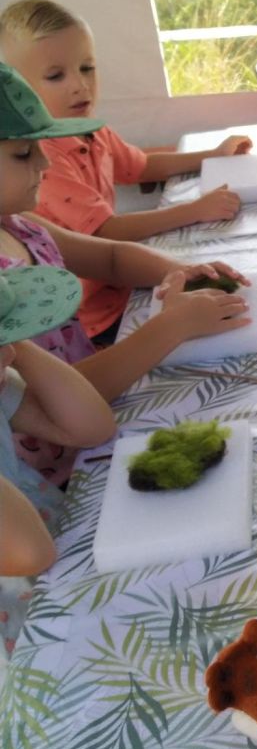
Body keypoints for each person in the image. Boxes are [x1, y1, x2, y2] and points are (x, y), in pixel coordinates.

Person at [0, 63, 251, 485]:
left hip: (95, 407)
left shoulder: (18, 223)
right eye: (23, 154)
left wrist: (180, 271)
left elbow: (111, 258)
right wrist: (170, 327)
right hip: (55, 473)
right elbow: (56, 404)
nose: (44, 163)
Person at [0, 0, 253, 340]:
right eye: (56, 76)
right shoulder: (49, 159)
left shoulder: (92, 130)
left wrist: (211, 154)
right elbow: (106, 232)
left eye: (87, 68)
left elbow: (140, 167)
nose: (80, 85)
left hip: (123, 286)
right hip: (94, 319)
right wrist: (193, 210)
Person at [1, 266, 116, 657]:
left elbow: (91, 426)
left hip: (68, 568)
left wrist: (17, 339)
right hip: (29, 635)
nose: (8, 354)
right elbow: (31, 552)